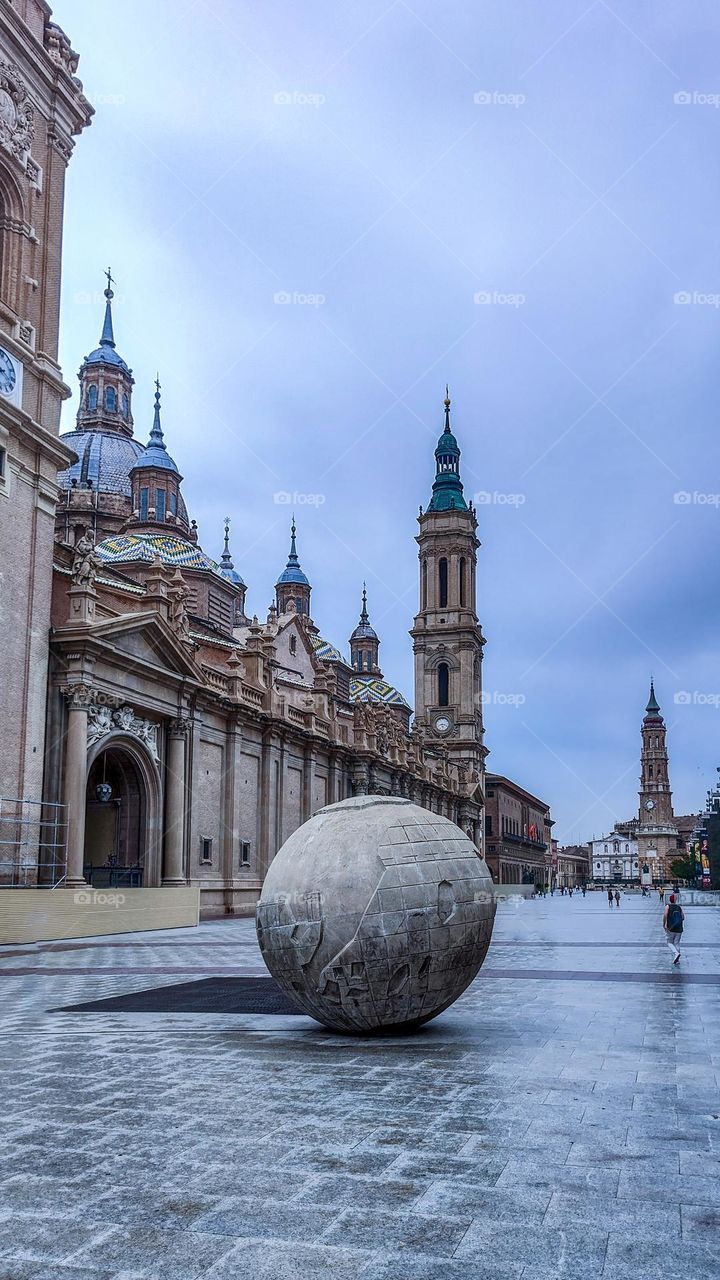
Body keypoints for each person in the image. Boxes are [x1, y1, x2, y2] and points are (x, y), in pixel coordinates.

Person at [663, 893, 684, 964]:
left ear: (669, 900)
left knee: (669, 942)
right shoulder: (679, 907)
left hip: (670, 927)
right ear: (675, 900)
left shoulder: (667, 906)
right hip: (679, 928)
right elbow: (683, 917)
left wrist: (664, 924)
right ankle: (677, 960)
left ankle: (676, 953)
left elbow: (665, 915)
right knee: (677, 943)